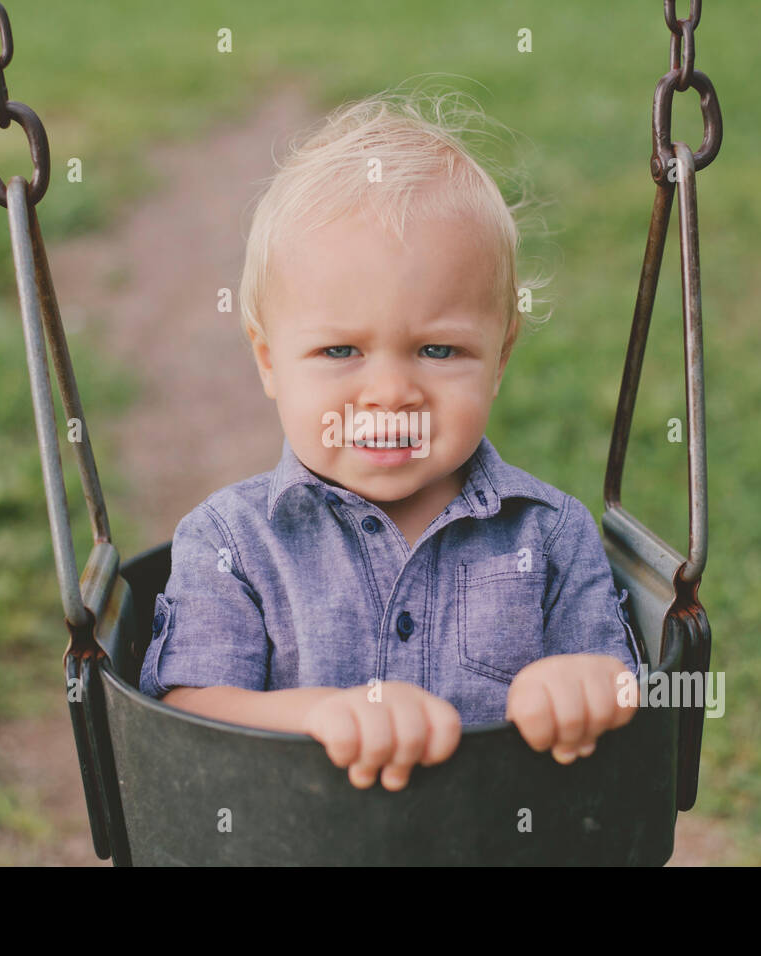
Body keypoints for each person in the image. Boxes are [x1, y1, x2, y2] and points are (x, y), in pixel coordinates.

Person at [139, 85, 641, 792]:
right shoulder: (231, 542)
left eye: (438, 351)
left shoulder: (551, 536)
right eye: (341, 351)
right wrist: (322, 717)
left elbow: (624, 687)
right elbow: (188, 710)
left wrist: (582, 687)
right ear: (267, 361)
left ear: (499, 358)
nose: (389, 392)